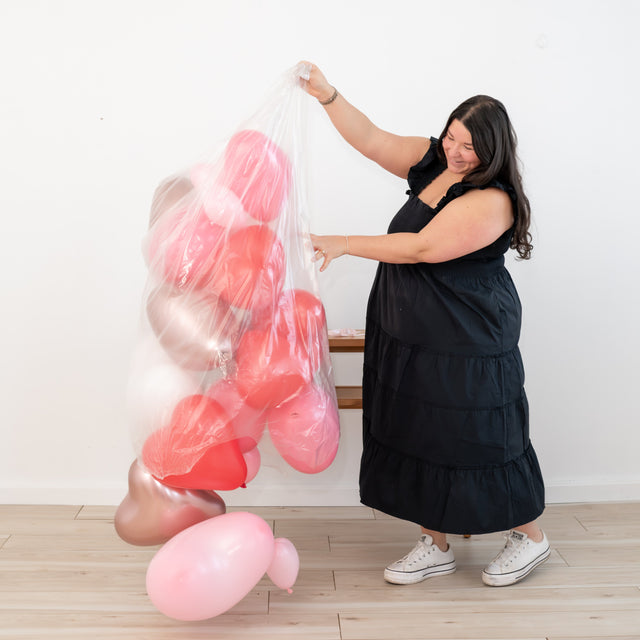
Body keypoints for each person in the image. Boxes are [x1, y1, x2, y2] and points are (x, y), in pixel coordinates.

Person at [300, 62, 550, 587]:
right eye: (451, 136)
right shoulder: (436, 161)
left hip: (468, 335)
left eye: (468, 147)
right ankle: (434, 544)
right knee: (423, 430)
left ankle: (529, 535)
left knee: (481, 435)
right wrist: (327, 94)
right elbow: (370, 139)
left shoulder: (493, 200)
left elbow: (421, 247)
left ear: (494, 151)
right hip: (415, 329)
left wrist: (344, 243)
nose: (455, 152)